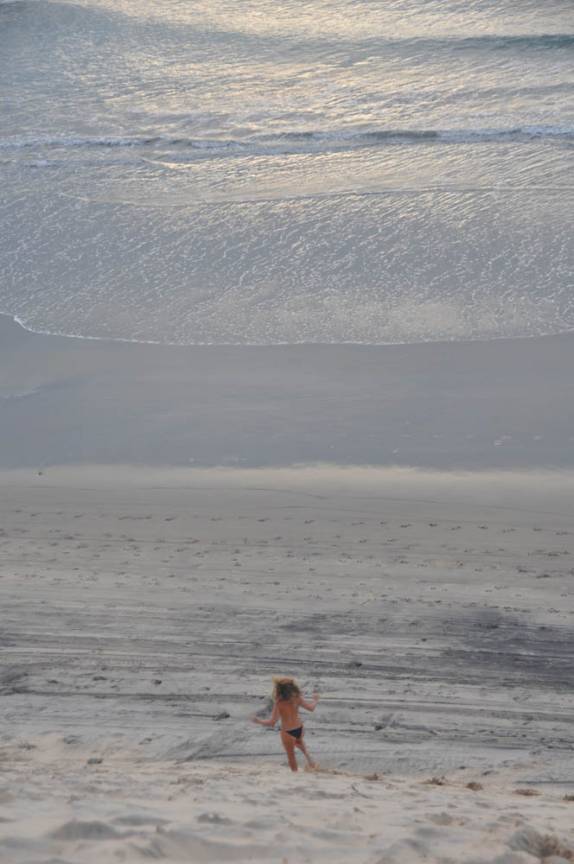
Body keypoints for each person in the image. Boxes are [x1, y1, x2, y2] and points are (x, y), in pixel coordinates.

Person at [251, 676, 319, 772]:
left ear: (280, 690)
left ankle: (295, 776)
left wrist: (258, 721)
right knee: (299, 742)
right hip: (299, 728)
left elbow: (272, 722)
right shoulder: (297, 698)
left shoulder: (279, 703)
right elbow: (311, 708)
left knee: (291, 757)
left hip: (287, 732)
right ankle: (309, 759)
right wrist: (315, 700)